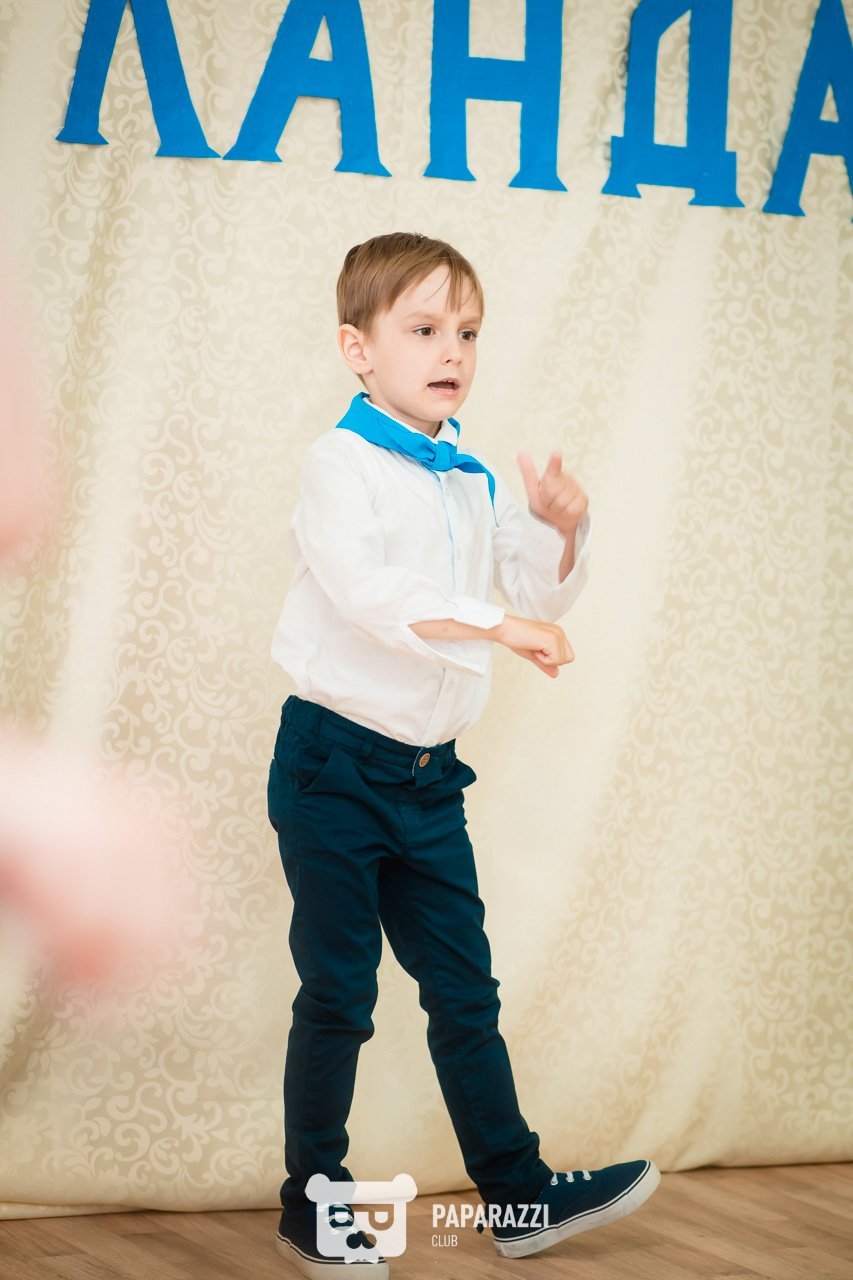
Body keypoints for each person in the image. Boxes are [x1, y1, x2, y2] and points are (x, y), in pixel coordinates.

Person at [267, 231, 659, 1277]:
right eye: (425, 329)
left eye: (469, 332)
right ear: (358, 350)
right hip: (333, 768)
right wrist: (500, 627)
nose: (453, 351)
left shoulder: (468, 472)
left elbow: (528, 592)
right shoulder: (338, 463)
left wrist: (560, 529)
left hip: (428, 779)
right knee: (339, 993)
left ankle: (518, 1195)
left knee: (464, 992)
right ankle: (313, 1202)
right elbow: (371, 597)